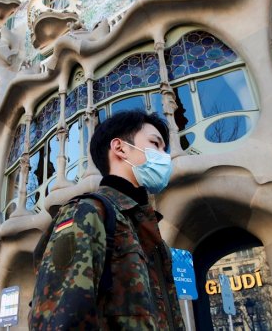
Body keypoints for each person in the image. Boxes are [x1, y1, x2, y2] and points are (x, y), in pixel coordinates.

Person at [29, 110, 185, 330]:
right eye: (155, 144)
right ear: (120, 148)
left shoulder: (144, 227)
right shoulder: (86, 212)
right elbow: (58, 319)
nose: (164, 155)